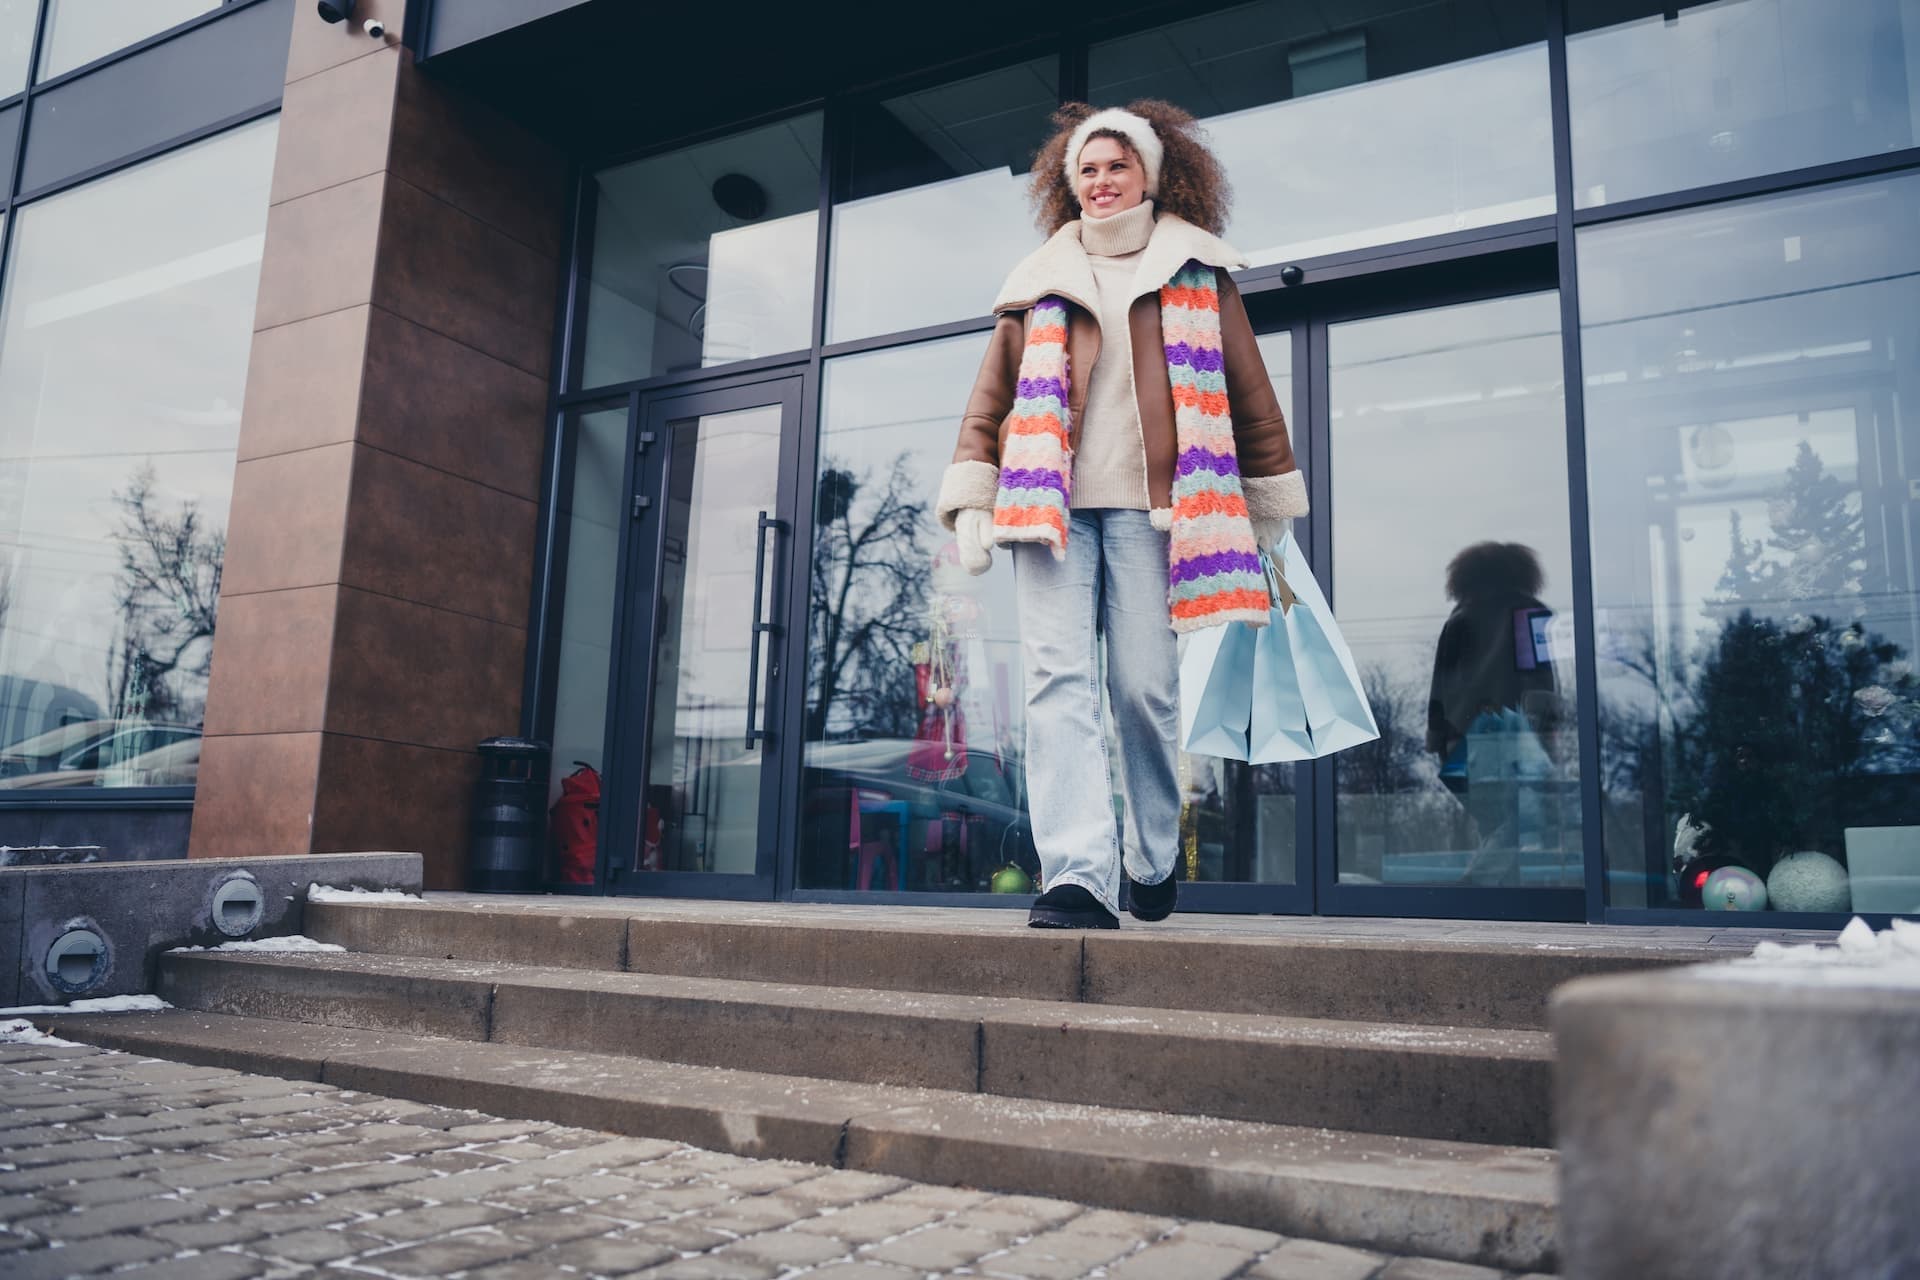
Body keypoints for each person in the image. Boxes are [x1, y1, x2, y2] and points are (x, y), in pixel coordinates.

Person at [934, 102, 1307, 929]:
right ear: (1070, 187)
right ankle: (1075, 875)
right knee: (1057, 684)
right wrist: (973, 493)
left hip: (1153, 514)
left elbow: (1249, 393)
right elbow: (992, 398)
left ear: (1151, 173)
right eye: (1088, 171)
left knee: (1143, 688)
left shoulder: (1197, 271)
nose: (1102, 182)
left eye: (1117, 166)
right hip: (1048, 508)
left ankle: (1150, 854)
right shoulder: (1038, 279)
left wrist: (1269, 497)